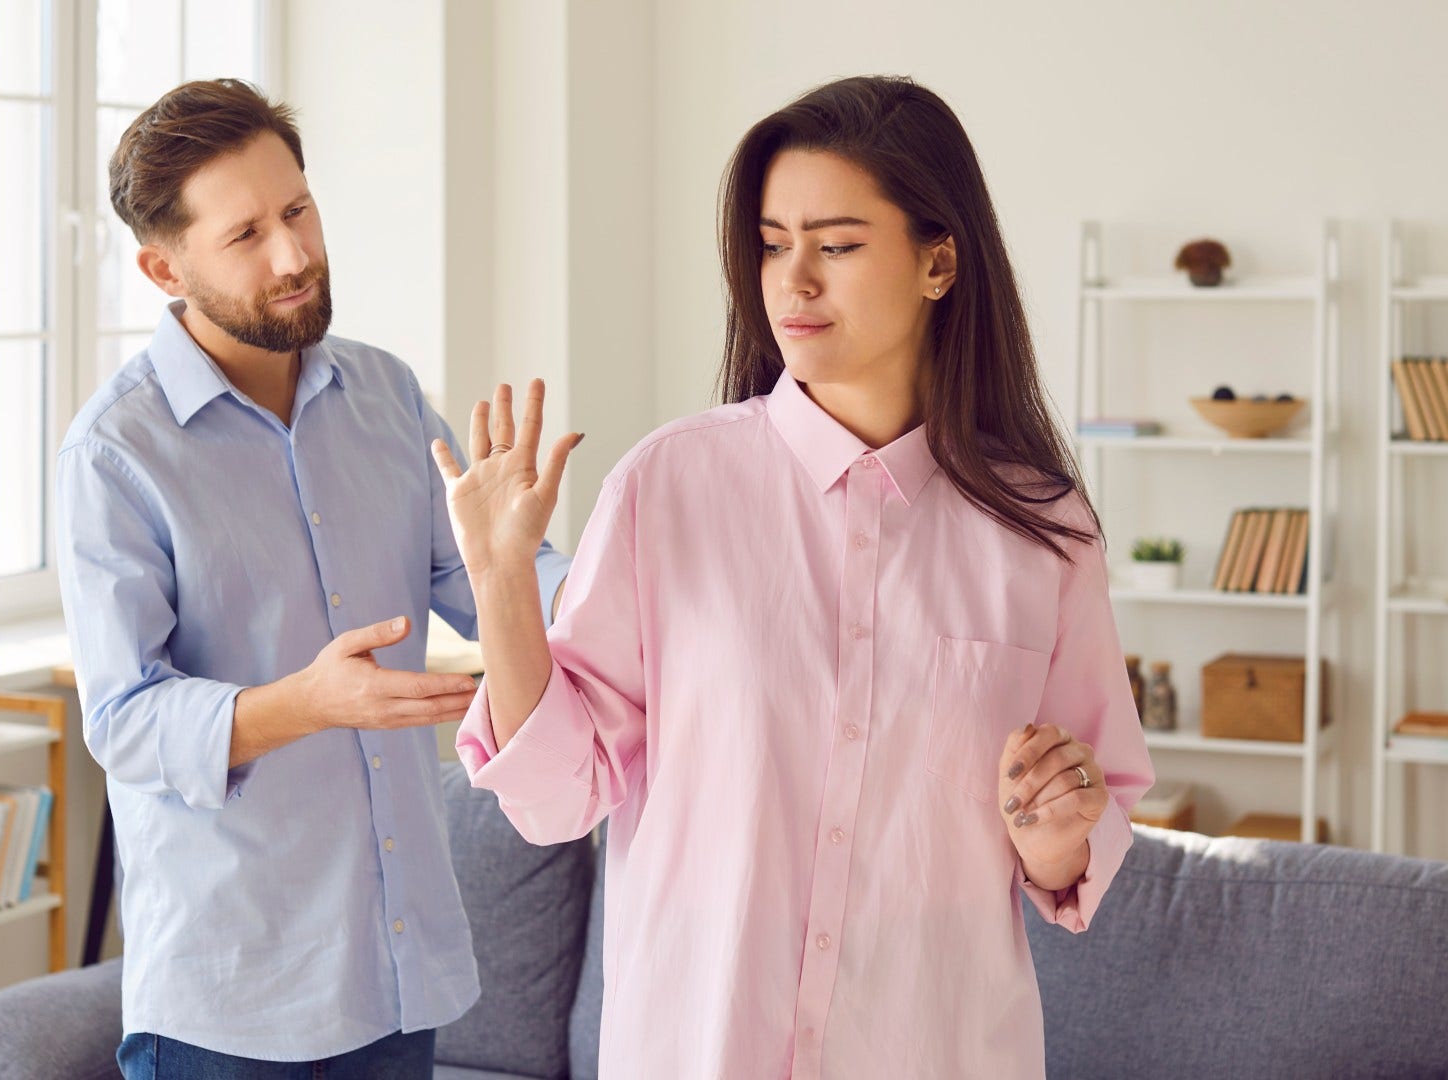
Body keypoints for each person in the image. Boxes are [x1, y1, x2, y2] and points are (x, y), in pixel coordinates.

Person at [439, 75, 1154, 1078]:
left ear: (939, 260)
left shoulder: (1043, 531)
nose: (793, 281)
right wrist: (501, 579)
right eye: (774, 243)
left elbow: (1084, 837)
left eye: (839, 244)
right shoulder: (668, 485)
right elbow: (554, 802)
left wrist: (1054, 828)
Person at [56, 79, 569, 1079]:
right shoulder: (115, 454)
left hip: (397, 978)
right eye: (245, 234)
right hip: (230, 1004)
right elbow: (123, 717)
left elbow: (484, 579)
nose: (293, 256)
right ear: (164, 265)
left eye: (297, 210)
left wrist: (551, 565)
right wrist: (308, 703)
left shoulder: (383, 393)